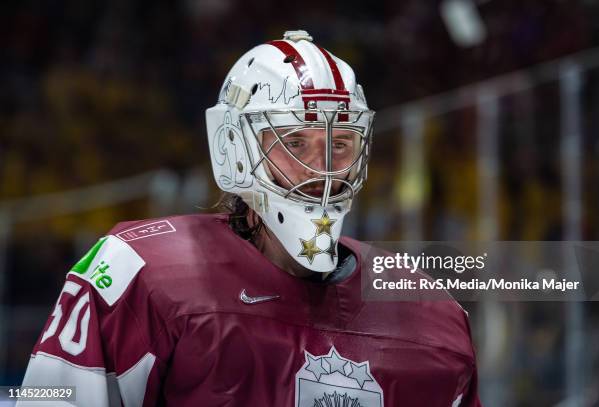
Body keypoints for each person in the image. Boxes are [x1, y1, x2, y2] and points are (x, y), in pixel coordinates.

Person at [19, 30, 481, 406]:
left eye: (340, 144)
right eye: (295, 142)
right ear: (235, 149)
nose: (321, 170)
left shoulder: (433, 315)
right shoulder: (135, 272)